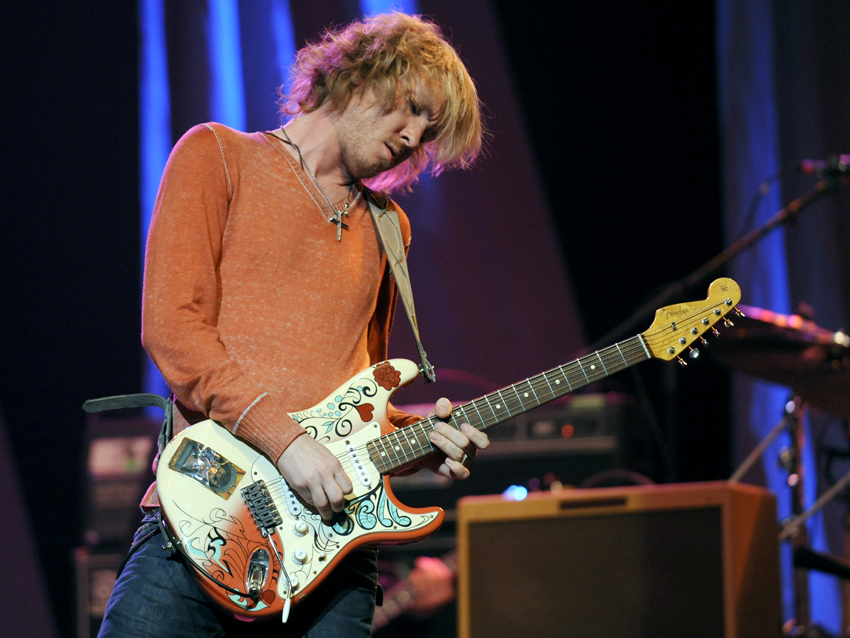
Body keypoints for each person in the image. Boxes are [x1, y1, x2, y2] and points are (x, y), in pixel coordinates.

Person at [97, 11, 488, 638]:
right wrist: (286, 442)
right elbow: (173, 328)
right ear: (360, 76)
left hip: (332, 555)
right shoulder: (218, 155)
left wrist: (419, 440)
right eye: (412, 108)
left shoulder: (392, 228)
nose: (414, 136)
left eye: (429, 130)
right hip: (207, 519)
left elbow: (358, 404)